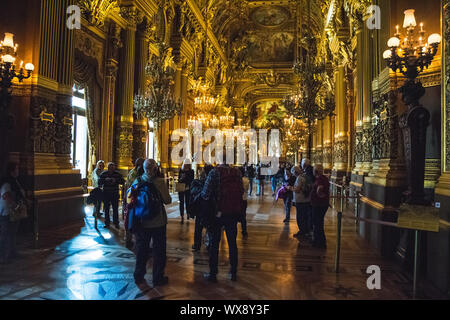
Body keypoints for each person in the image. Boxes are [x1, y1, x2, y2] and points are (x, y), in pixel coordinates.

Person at [128, 159, 172, 287]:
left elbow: (131, 198)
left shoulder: (137, 181)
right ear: (155, 169)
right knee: (159, 251)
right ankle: (158, 278)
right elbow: (167, 200)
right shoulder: (159, 182)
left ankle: (138, 275)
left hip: (141, 221)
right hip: (158, 222)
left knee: (142, 249)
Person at [202, 165, 244, 283]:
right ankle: (234, 272)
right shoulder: (237, 172)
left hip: (218, 213)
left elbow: (205, 193)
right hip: (232, 212)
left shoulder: (214, 172)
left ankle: (213, 273)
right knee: (232, 243)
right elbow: (241, 191)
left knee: (214, 244)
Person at [0, 162, 27, 264]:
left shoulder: (14, 181)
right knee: (5, 234)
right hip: (7, 212)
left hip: (14, 212)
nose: (18, 171)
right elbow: (6, 196)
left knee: (12, 234)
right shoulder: (7, 182)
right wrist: (15, 205)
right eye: (16, 169)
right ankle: (3, 256)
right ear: (12, 171)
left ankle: (12, 252)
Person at [190, 164, 214, 252]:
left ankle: (197, 245)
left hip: (200, 208)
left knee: (198, 228)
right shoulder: (212, 183)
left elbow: (193, 194)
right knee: (210, 228)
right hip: (210, 208)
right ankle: (209, 244)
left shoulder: (197, 182)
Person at [98, 162, 125, 229]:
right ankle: (107, 223)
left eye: (112, 168)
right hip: (106, 194)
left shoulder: (117, 174)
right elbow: (99, 182)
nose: (111, 169)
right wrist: (105, 180)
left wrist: (115, 180)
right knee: (106, 209)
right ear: (108, 168)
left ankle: (116, 223)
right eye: (110, 168)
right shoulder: (104, 174)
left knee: (115, 209)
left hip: (114, 194)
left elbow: (122, 181)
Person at [310, 164, 330, 249]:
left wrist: (319, 196)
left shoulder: (321, 179)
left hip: (319, 205)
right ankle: (319, 241)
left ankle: (319, 242)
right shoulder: (322, 178)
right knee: (318, 223)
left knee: (317, 223)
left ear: (316, 171)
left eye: (314, 170)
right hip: (320, 204)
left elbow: (319, 189)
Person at [291, 166, 312, 240]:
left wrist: (290, 188)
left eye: (293, 173)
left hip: (300, 200)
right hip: (306, 200)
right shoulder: (305, 176)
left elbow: (297, 189)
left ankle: (302, 231)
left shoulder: (299, 178)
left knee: (300, 217)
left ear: (295, 172)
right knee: (305, 216)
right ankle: (306, 231)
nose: (293, 175)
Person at [178, 159, 195, 224]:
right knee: (181, 202)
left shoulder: (191, 171)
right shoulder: (181, 170)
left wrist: (188, 186)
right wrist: (182, 178)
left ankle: (188, 213)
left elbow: (192, 180)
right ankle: (182, 215)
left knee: (188, 202)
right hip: (181, 187)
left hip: (188, 188)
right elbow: (179, 180)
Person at [239, 166, 249, 239]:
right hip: (244, 198)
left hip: (238, 199)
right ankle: (244, 230)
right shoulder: (246, 180)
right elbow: (247, 189)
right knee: (243, 215)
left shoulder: (237, 180)